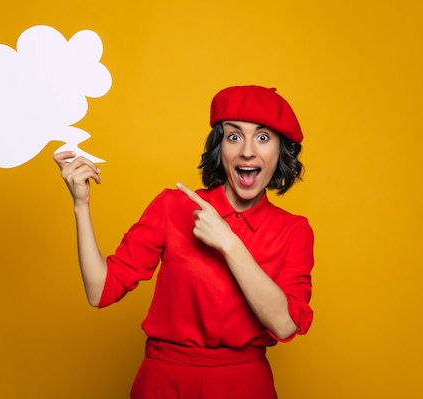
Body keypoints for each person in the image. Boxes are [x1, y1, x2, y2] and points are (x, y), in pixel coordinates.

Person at [54, 85, 315, 398]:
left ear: (279, 150)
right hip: (163, 383)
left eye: (262, 137)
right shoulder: (172, 207)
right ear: (221, 148)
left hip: (243, 387)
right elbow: (100, 291)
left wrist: (229, 244)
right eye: (234, 136)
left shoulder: (294, 230)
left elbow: (286, 325)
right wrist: (81, 205)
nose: (247, 150)